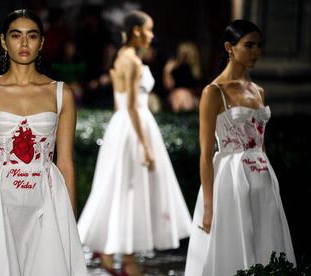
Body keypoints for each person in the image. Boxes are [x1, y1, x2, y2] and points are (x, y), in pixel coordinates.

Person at [0, 9, 87, 276]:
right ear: (4, 42)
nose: (24, 43)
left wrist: (69, 226)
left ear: (41, 42)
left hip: (48, 199)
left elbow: (65, 162)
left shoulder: (61, 93)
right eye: (16, 36)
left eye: (32, 36)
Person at [77, 10, 192, 276]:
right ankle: (123, 257)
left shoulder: (124, 57)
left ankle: (114, 252)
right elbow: (129, 105)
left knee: (125, 187)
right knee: (128, 188)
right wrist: (145, 145)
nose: (152, 35)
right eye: (149, 30)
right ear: (137, 31)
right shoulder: (130, 60)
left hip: (128, 126)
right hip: (133, 126)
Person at [184, 19, 295, 276]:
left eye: (259, 45)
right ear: (229, 47)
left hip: (263, 176)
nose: (256, 51)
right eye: (249, 45)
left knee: (266, 242)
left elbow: (261, 145)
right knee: (233, 245)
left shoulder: (259, 91)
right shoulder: (213, 92)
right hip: (230, 180)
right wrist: (209, 208)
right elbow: (204, 154)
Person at [163, 41, 202, 112]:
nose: (184, 56)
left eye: (187, 53)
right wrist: (167, 71)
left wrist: (185, 92)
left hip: (190, 95)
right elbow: (169, 86)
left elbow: (197, 87)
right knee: (179, 97)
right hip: (175, 94)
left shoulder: (195, 68)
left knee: (184, 98)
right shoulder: (174, 66)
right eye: (182, 53)